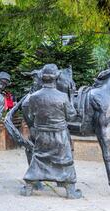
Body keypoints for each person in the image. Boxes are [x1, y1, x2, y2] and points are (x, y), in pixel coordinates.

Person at [20, 64, 81, 199]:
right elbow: (71, 116)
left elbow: (30, 115)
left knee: (39, 157)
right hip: (60, 135)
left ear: (42, 78)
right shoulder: (63, 96)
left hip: (42, 134)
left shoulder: (34, 97)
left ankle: (29, 187)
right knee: (65, 159)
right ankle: (70, 190)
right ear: (56, 78)